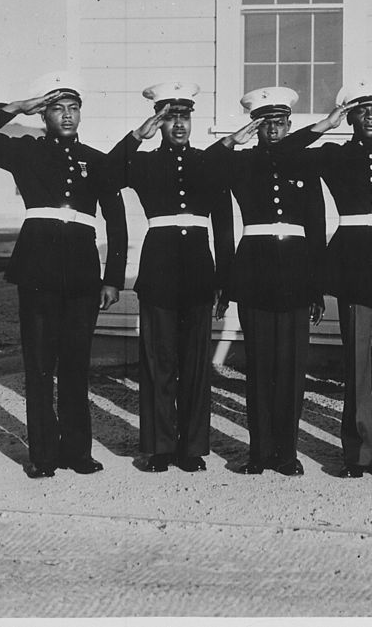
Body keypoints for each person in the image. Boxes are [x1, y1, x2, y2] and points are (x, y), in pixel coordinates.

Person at [0, 73, 128, 479]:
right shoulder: (25, 152)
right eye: (57, 108)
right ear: (44, 114)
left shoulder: (98, 159)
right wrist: (15, 106)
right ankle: (43, 457)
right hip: (37, 270)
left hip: (84, 275)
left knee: (75, 365)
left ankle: (78, 453)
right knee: (38, 366)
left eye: (73, 109)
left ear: (80, 115)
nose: (66, 115)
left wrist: (113, 278)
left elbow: (117, 220)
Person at [105, 82, 260, 473]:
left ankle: (191, 448)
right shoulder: (143, 163)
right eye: (170, 117)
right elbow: (106, 174)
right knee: (158, 362)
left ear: (192, 120)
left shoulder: (208, 162)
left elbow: (224, 225)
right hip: (158, 273)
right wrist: (138, 136)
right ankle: (158, 446)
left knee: (194, 364)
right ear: (159, 121)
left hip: (198, 274)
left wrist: (225, 279)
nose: (178, 125)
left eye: (184, 117)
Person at [281, 81, 372, 480]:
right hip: (353, 269)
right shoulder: (334, 156)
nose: (371, 116)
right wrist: (326, 124)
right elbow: (288, 153)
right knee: (358, 366)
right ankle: (358, 454)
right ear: (351, 117)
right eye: (362, 111)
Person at [217, 87, 327, 476]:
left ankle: (287, 453)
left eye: (280, 122)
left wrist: (317, 287)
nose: (274, 129)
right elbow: (210, 165)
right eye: (266, 123)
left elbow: (316, 224)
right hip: (255, 275)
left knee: (292, 370)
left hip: (297, 276)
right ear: (255, 126)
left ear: (290, 125)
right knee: (260, 369)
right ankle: (259, 452)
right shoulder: (242, 163)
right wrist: (235, 140)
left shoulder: (302, 163)